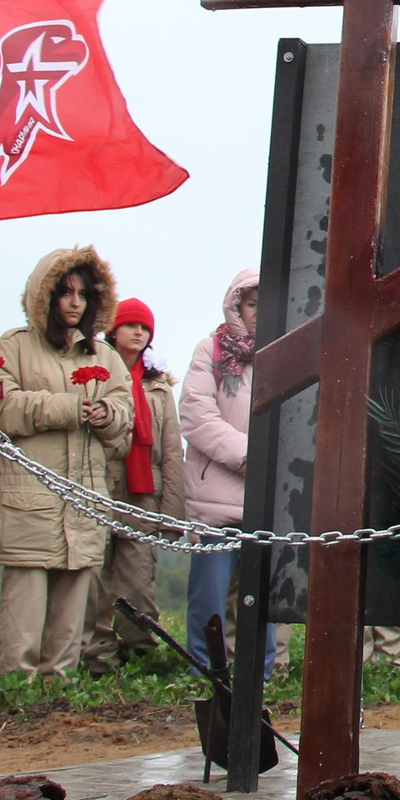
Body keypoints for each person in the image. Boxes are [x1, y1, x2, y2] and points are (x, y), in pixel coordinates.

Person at [0, 247, 132, 677]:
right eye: (65, 293)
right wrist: (68, 408)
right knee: (24, 612)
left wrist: (108, 416)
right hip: (28, 500)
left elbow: (125, 414)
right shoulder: (11, 347)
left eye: (83, 294)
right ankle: (16, 689)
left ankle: (59, 691)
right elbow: (1, 408)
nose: (74, 302)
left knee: (71, 616)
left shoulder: (104, 355)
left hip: (84, 500)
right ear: (44, 296)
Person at [81, 298, 187, 670]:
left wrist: (172, 514)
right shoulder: (94, 372)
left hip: (144, 494)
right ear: (113, 329)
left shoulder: (160, 386)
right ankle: (96, 656)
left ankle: (141, 653)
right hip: (101, 486)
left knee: (138, 582)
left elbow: (172, 451)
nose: (139, 333)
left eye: (145, 328)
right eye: (131, 326)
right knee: (94, 579)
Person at [181, 268, 275, 676]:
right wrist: (250, 456)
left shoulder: (286, 353)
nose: (257, 312)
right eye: (251, 303)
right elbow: (196, 415)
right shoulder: (211, 350)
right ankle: (204, 673)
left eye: (264, 303)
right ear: (237, 305)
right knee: (209, 599)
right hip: (214, 498)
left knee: (263, 596)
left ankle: (262, 672)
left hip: (266, 499)